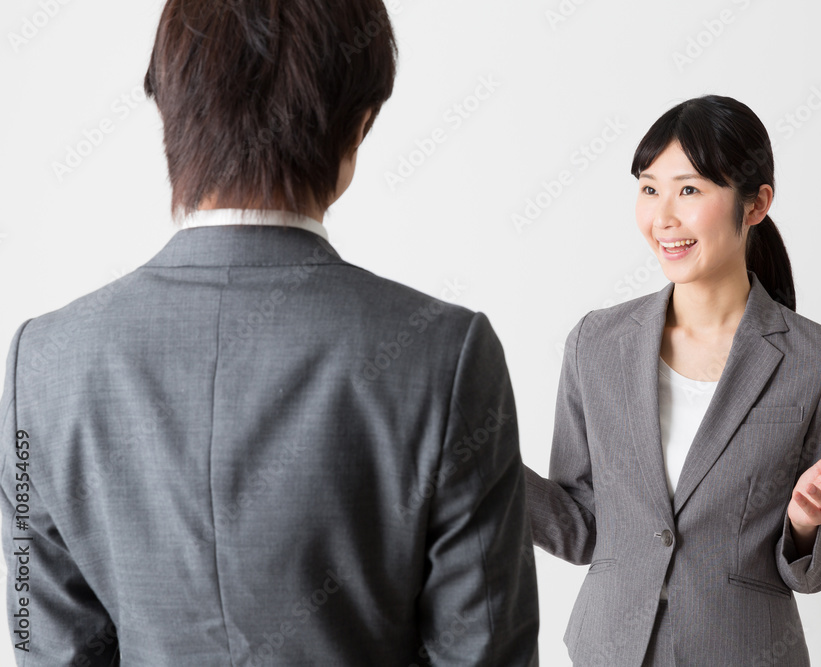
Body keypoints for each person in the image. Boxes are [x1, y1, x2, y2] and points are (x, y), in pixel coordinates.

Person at [0, 1, 539, 664]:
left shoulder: (43, 365)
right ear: (359, 128)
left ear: (169, 113)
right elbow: (485, 651)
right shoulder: (445, 355)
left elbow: (43, 638)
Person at [523, 94, 821, 666]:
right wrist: (482, 466)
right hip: (610, 651)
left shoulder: (820, 360)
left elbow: (817, 571)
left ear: (756, 204)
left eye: (689, 189)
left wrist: (805, 524)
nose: (663, 216)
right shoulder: (596, 343)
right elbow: (583, 527)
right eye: (648, 187)